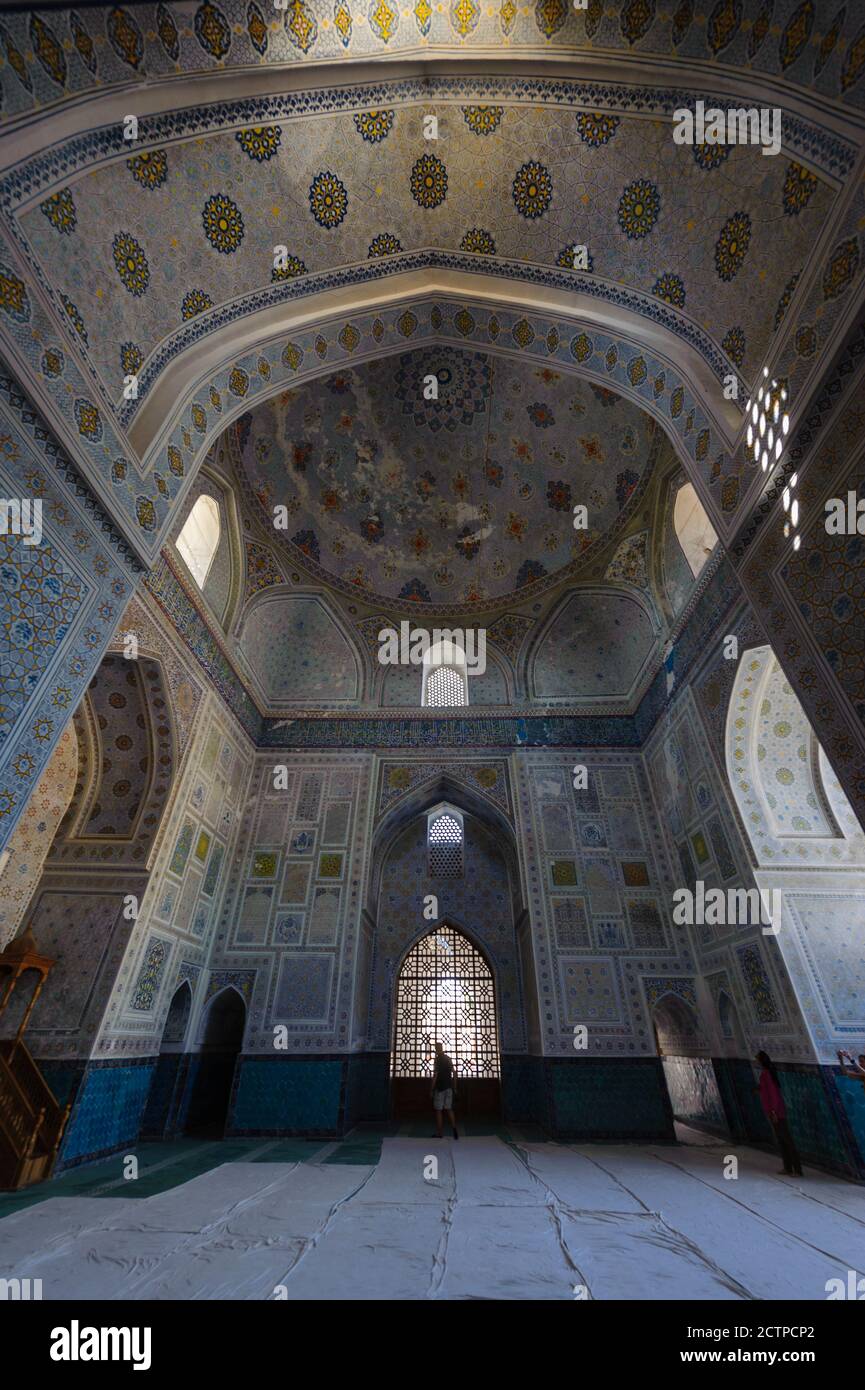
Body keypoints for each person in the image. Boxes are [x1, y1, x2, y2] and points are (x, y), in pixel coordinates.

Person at [756, 1050, 802, 1177]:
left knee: (787, 1139)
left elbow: (774, 1094)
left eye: (757, 1058)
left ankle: (797, 1169)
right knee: (781, 1140)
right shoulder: (766, 1073)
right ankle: (787, 1167)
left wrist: (774, 1111)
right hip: (772, 1111)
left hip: (776, 1112)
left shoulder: (767, 1074)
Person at [431, 1041, 459, 1140]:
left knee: (439, 1110)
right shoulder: (448, 1058)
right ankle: (454, 1128)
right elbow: (454, 1073)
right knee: (449, 1109)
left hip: (440, 1088)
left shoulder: (437, 1060)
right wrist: (455, 1087)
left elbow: (435, 1075)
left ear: (436, 1049)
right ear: (442, 1048)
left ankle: (440, 1133)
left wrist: (431, 1088)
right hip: (449, 1087)